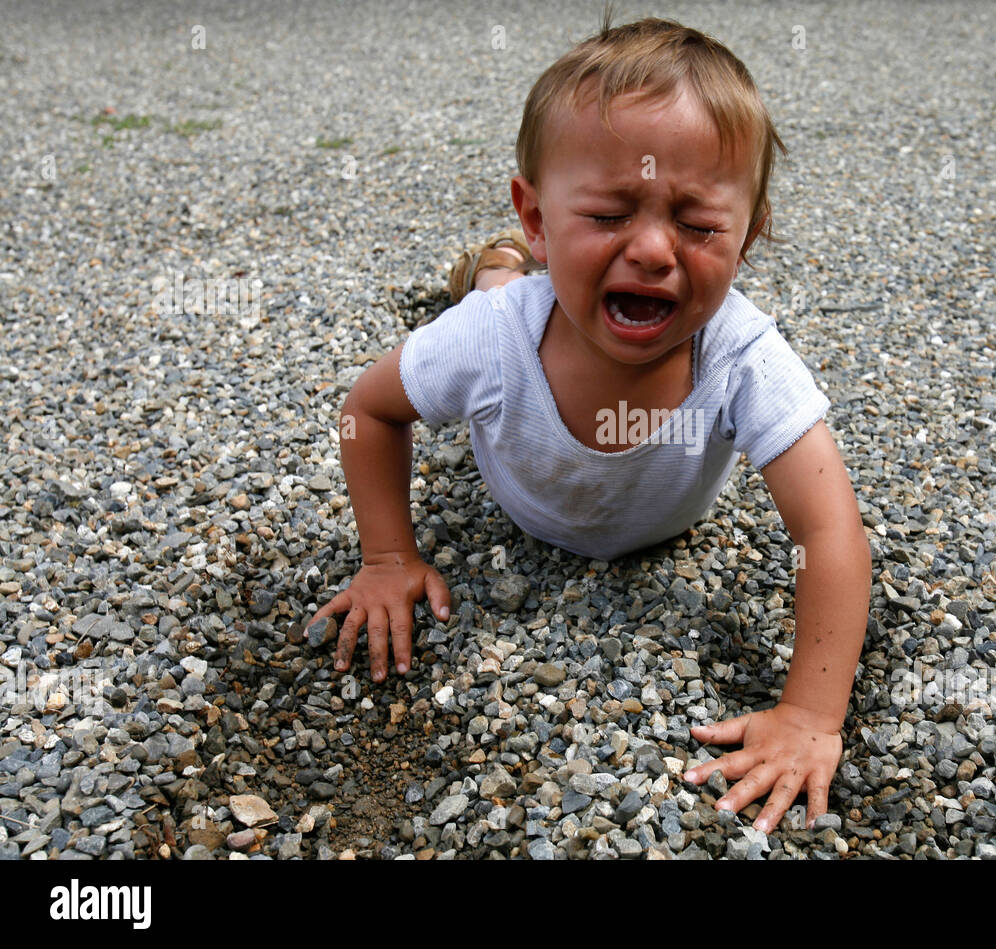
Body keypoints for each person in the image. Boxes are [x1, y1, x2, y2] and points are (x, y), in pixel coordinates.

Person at [308, 14, 871, 835]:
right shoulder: (495, 339)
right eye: (609, 215)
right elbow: (369, 410)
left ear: (750, 234)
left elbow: (832, 532)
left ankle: (504, 260)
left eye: (700, 224)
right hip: (509, 334)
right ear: (539, 213)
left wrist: (812, 714)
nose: (652, 250)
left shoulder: (743, 355)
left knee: (510, 294)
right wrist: (388, 555)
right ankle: (497, 261)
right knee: (491, 301)